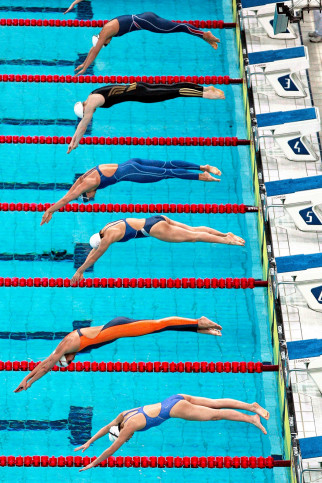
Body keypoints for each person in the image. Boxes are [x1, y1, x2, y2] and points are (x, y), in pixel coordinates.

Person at [13, 316, 222, 393]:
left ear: (63, 358)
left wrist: (27, 380)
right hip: (117, 327)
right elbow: (49, 363)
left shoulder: (65, 346)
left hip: (117, 329)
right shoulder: (73, 350)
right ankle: (198, 328)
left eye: (66, 363)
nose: (71, 361)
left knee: (160, 325)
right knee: (159, 327)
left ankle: (198, 322)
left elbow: (45, 365)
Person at [75, 394, 270, 471]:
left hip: (175, 409)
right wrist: (89, 442)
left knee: (215, 415)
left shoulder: (130, 426)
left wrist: (92, 463)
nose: (128, 439)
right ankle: (251, 407)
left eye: (125, 438)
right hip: (173, 398)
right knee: (215, 403)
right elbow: (105, 428)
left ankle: (252, 418)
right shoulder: (124, 415)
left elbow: (111, 450)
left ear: (121, 434)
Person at [40, 159, 221, 225]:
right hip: (130, 163)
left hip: (132, 172)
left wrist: (50, 210)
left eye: (87, 199)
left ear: (86, 192)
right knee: (166, 165)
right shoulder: (84, 179)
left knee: (168, 173)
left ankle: (202, 176)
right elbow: (71, 191)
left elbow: (68, 198)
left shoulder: (88, 183)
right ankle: (203, 166)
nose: (91, 199)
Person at [71, 216, 245, 283]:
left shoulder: (109, 238)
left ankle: (228, 241)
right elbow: (95, 250)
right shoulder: (107, 227)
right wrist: (81, 268)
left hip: (153, 230)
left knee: (193, 237)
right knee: (193, 229)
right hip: (156, 218)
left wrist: (79, 271)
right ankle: (224, 234)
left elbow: (96, 255)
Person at [68, 82, 225, 153]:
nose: (91, 114)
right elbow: (83, 122)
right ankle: (204, 88)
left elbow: (83, 125)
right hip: (138, 86)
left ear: (83, 109)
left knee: (173, 92)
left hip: (142, 94)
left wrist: (74, 142)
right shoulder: (92, 94)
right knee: (172, 88)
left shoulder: (90, 104)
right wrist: (73, 139)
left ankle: (206, 94)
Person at [72, 12, 220, 75]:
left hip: (148, 22)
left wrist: (85, 68)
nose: (107, 43)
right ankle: (204, 37)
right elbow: (94, 49)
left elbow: (96, 50)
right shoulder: (105, 31)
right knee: (177, 27)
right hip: (147, 18)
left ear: (102, 40)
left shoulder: (105, 33)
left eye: (105, 44)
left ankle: (204, 35)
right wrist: (84, 64)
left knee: (178, 27)